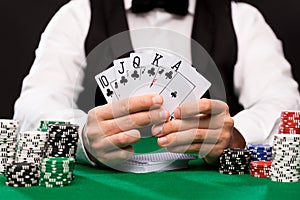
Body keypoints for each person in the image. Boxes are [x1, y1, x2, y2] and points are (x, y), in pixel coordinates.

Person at [14, 0, 300, 168]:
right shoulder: (78, 13)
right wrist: (82, 137)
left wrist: (235, 135)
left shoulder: (242, 18)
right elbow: (33, 104)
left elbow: (284, 103)